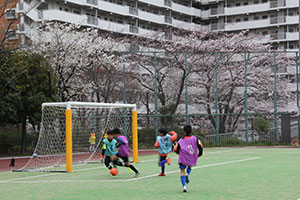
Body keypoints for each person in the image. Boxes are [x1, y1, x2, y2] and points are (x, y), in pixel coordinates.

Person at [174, 125, 203, 193]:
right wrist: (200, 154)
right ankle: (187, 173)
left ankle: (184, 186)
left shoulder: (180, 140)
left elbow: (176, 149)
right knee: (189, 165)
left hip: (183, 157)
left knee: (182, 171)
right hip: (191, 156)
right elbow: (200, 146)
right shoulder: (195, 139)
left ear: (184, 132)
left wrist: (179, 153)